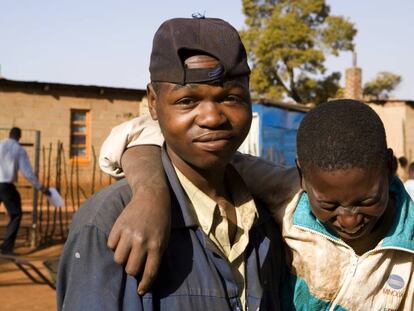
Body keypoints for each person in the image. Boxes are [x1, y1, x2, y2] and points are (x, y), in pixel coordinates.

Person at [57, 17, 285, 311]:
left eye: (230, 97)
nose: (212, 117)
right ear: (153, 102)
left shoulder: (266, 215)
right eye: (187, 101)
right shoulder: (111, 220)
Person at [100, 99, 414, 310]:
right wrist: (150, 192)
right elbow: (161, 138)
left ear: (389, 167)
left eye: (367, 201)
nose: (348, 220)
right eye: (329, 205)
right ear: (302, 175)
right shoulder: (287, 194)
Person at [0, 127, 49, 254]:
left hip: (4, 185)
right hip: (5, 185)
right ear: (19, 137)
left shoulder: (0, 144)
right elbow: (27, 173)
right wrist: (40, 187)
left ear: (9, 134)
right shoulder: (18, 149)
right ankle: (6, 248)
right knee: (16, 214)